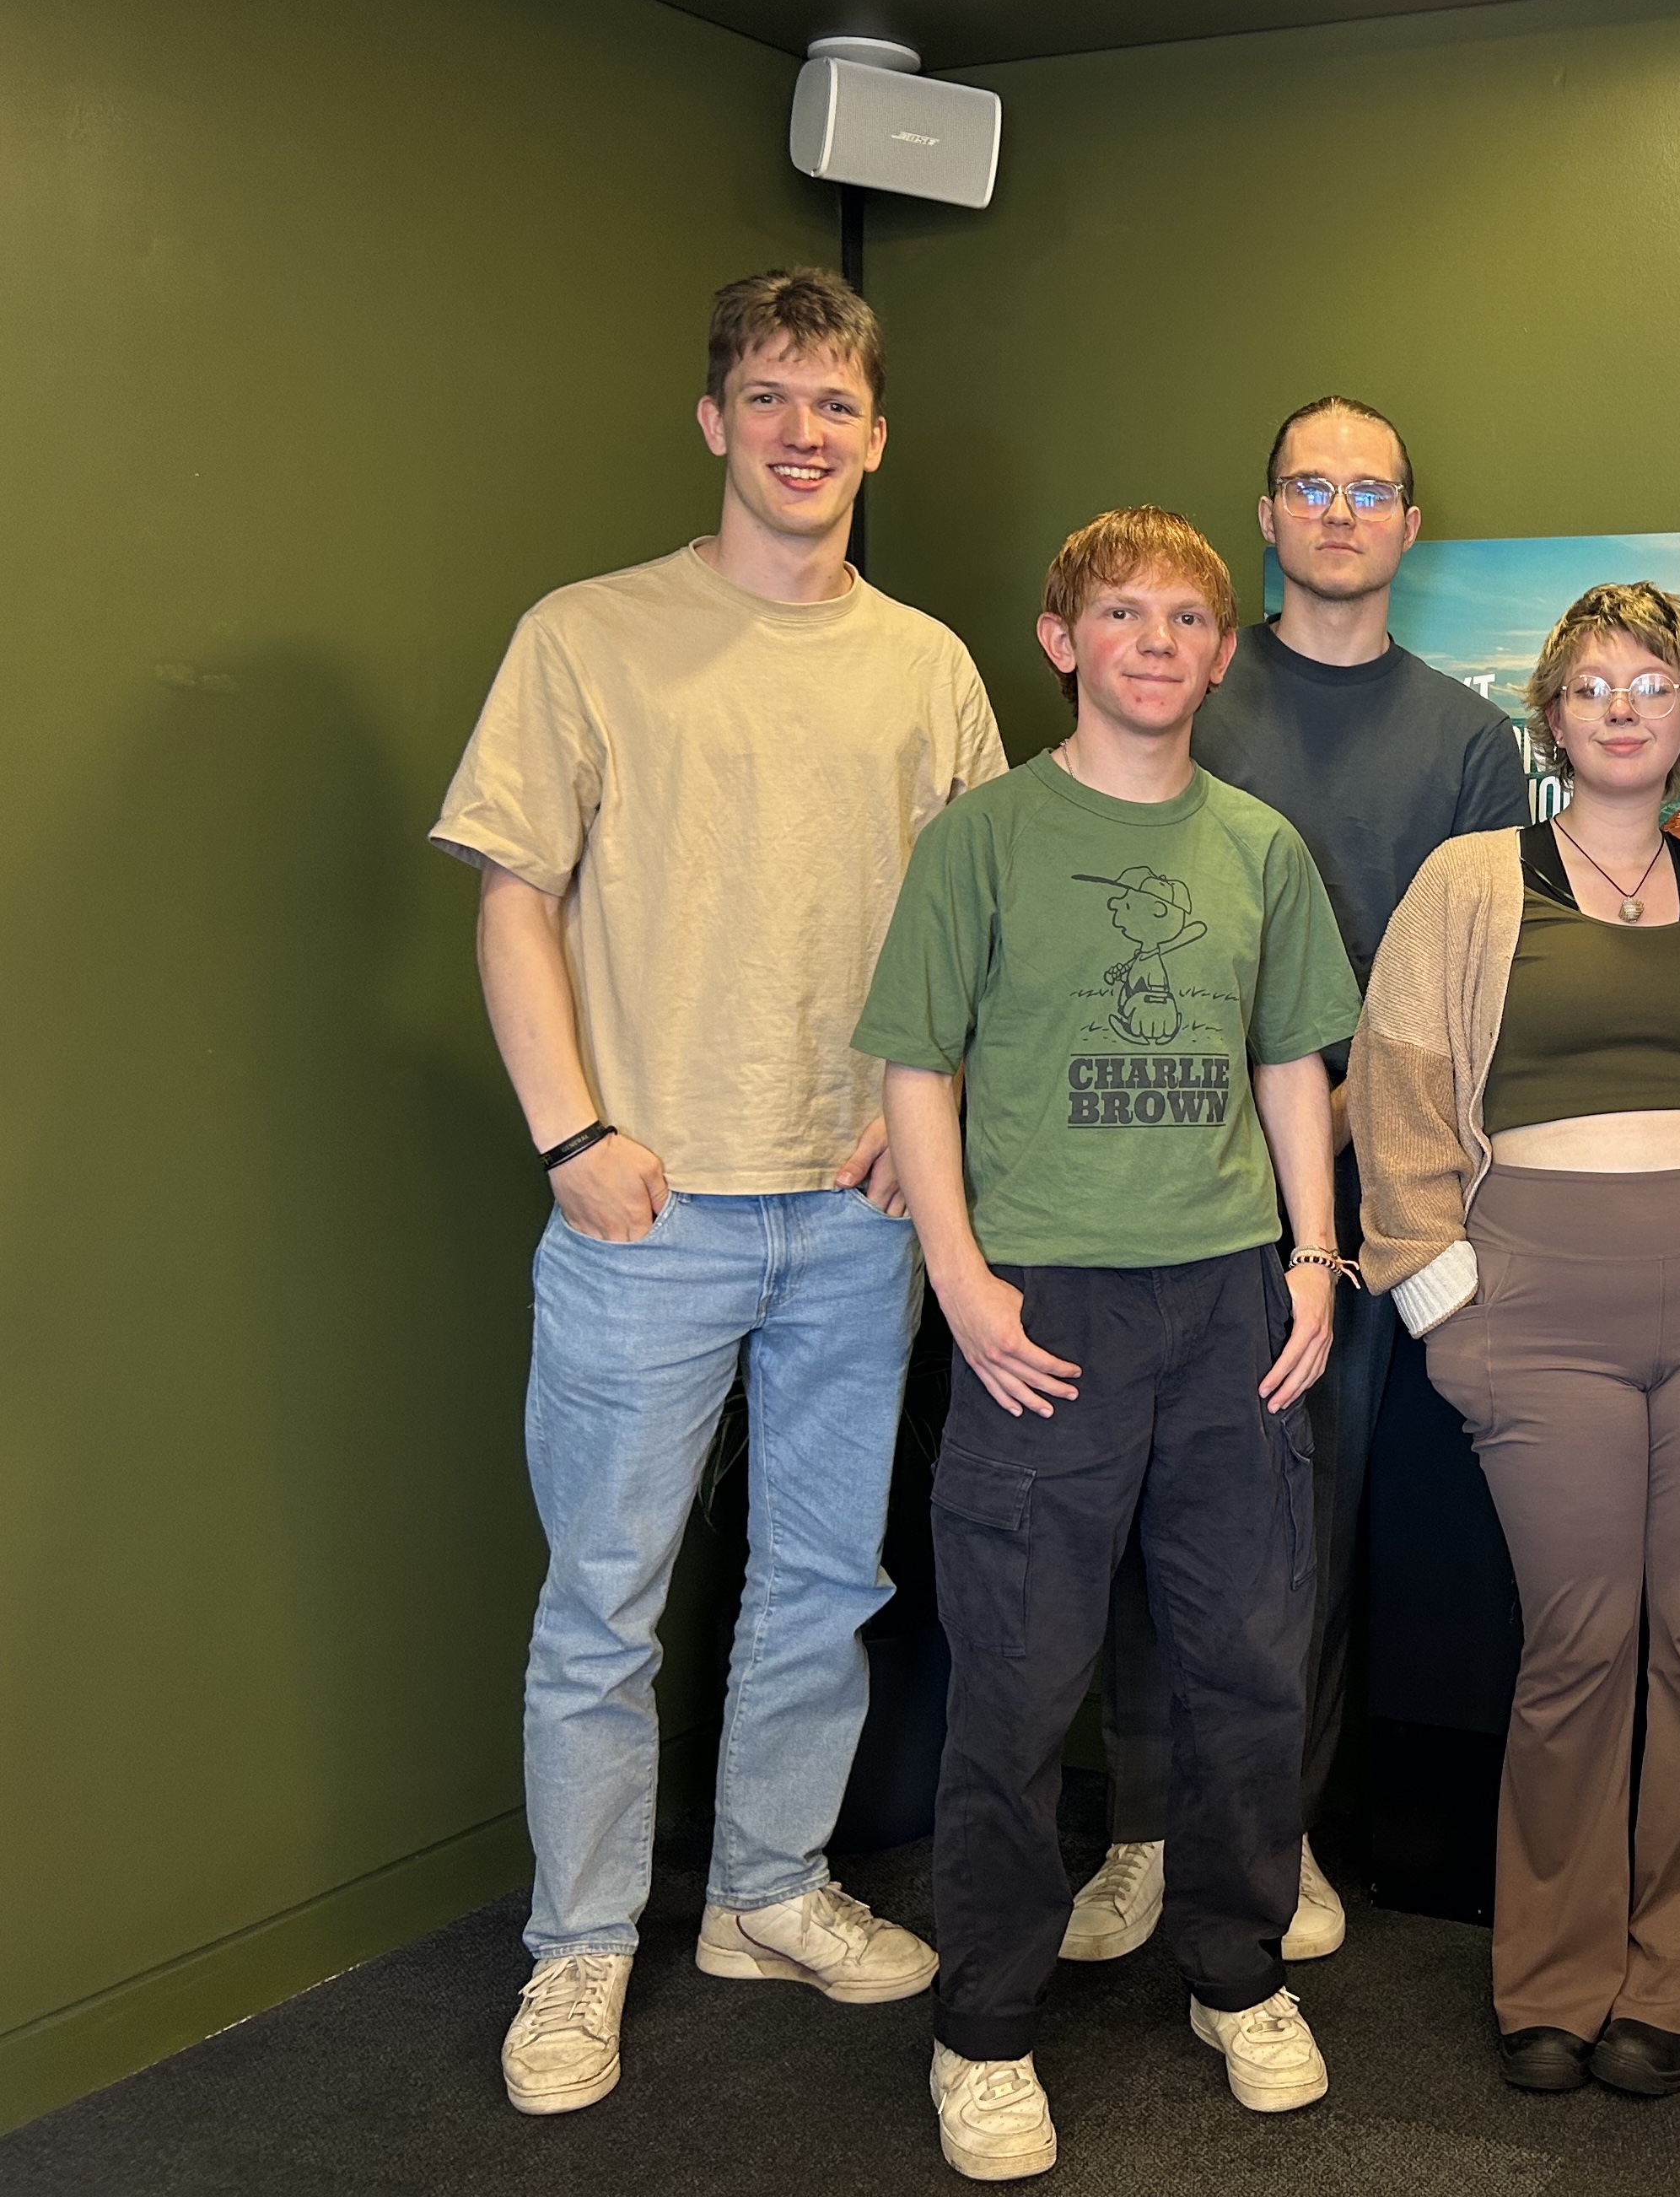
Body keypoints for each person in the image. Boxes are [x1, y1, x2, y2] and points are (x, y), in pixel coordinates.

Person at [432, 269, 1003, 2117]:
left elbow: (974, 924)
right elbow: (513, 894)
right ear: (714, 421)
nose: (800, 432)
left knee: (824, 1578)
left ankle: (765, 1890)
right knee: (606, 1603)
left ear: (876, 436)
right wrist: (572, 1137)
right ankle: (580, 1945)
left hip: (856, 1209)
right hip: (647, 1208)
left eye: (833, 403)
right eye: (768, 396)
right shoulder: (587, 634)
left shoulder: (927, 667)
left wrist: (920, 1121)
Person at [857, 507, 1360, 2178]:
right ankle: (985, 2027)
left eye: (1187, 618)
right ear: (1061, 640)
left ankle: (1237, 1974)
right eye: (1122, 612)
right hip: (1043, 1309)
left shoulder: (1259, 847)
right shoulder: (984, 839)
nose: (1156, 640)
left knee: (1247, 1668)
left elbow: (1292, 1059)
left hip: (1229, 1305)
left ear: (1221, 655)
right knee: (1014, 1686)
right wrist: (961, 1278)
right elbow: (914, 1063)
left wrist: (1312, 1258)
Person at [1351, 581, 1680, 2099]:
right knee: (1576, 1639)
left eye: (1651, 683)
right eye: (1591, 684)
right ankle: (1555, 1977)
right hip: (1533, 1298)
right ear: (1553, 717)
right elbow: (1399, 1081)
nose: (1622, 707)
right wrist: (1435, 1291)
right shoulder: (1474, 878)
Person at [1066, 396, 1526, 1976]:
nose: (1339, 510)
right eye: (1310, 485)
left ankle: (1277, 1835)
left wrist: (1324, 1125)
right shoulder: (1193, 679)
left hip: (1357, 1181)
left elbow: (1463, 976)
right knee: (1146, 1510)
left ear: (1408, 524)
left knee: (1302, 1523)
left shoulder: (1465, 741)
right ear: (1266, 514)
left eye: (1369, 489)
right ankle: (1142, 1830)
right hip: (1156, 1177)